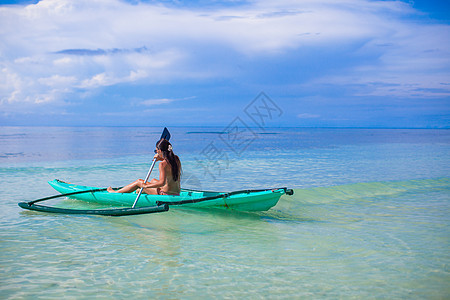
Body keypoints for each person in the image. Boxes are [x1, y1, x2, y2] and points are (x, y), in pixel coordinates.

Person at [107, 138, 182, 195]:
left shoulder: (162, 164)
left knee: (139, 182)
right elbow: (168, 162)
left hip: (165, 194)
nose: (156, 153)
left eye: (156, 151)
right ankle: (141, 190)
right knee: (153, 180)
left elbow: (161, 183)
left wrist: (145, 186)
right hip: (176, 192)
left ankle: (116, 192)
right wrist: (160, 158)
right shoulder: (176, 159)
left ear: (160, 151)